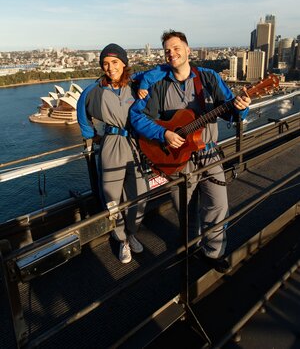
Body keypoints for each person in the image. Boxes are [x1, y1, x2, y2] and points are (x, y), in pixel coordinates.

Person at [130, 30, 251, 273]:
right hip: (175, 159)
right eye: (167, 51)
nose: (172, 53)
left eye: (176, 48)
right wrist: (163, 134)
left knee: (218, 205)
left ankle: (213, 252)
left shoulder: (208, 78)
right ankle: (192, 245)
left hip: (208, 153)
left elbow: (230, 111)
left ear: (188, 50)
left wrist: (242, 108)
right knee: (186, 210)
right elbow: (136, 116)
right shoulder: (158, 85)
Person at [77, 43, 148, 264]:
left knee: (140, 193)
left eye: (114, 62)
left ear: (124, 63)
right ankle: (122, 240)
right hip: (111, 144)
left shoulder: (136, 85)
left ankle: (132, 232)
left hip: (135, 143)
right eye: (105, 64)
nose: (110, 67)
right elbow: (81, 111)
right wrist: (92, 135)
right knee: (111, 197)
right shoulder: (94, 90)